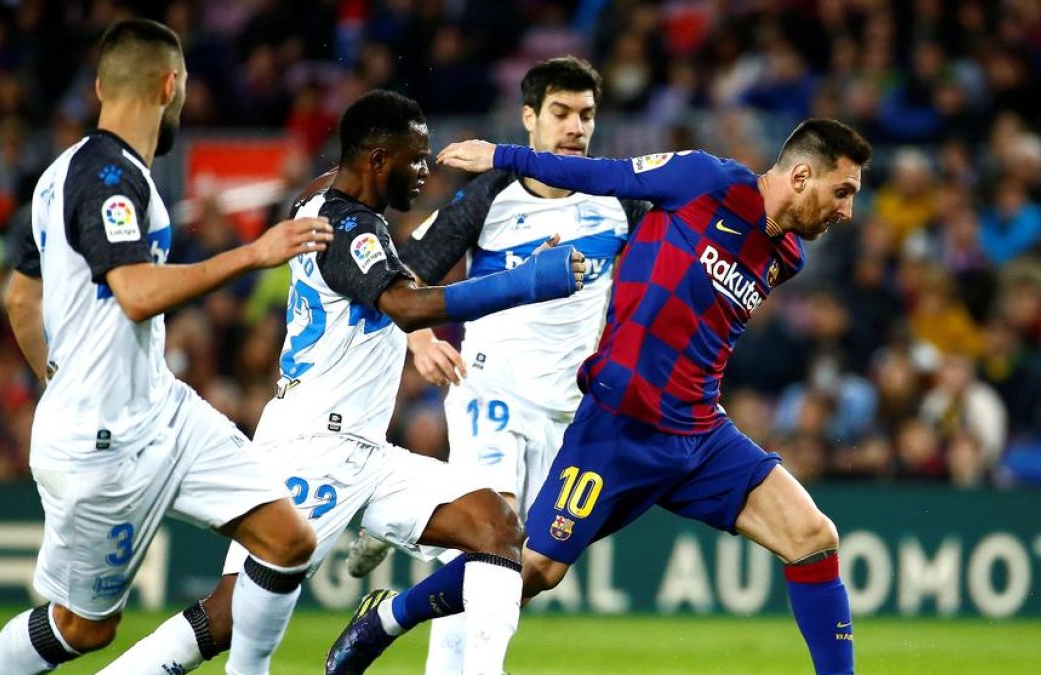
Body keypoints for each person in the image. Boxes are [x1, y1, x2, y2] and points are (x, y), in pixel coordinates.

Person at [338, 118, 871, 675]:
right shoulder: (702, 180)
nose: (846, 211)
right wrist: (503, 155)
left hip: (698, 435)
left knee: (814, 536)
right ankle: (385, 619)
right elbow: (600, 173)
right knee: (534, 569)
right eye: (843, 191)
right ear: (803, 175)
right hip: (617, 427)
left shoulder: (786, 257)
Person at [99, 89, 586, 675]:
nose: (425, 172)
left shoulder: (319, 202)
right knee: (229, 618)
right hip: (312, 451)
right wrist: (528, 281)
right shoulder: (346, 229)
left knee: (495, 527)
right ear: (378, 161)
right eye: (416, 158)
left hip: (364, 450)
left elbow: (363, 208)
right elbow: (405, 306)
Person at [0, 19, 333, 675]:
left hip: (161, 408)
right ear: (171, 85)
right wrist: (253, 251)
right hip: (102, 442)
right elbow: (134, 292)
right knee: (84, 627)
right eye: (184, 87)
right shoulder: (109, 178)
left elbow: (20, 299)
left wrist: (61, 376)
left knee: (288, 538)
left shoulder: (61, 175)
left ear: (103, 84)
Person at [342, 55, 648, 675]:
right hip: (490, 387)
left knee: (511, 569)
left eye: (586, 115)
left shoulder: (620, 201)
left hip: (569, 410)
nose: (575, 128)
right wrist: (419, 340)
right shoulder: (488, 196)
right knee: (494, 538)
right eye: (560, 113)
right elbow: (401, 280)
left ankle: (408, 529)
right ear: (529, 118)